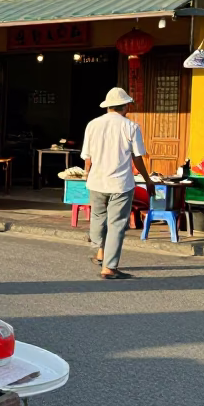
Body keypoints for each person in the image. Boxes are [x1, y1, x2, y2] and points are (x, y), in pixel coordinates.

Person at [80, 87, 154, 280]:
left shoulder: (92, 125)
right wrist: (148, 180)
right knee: (117, 224)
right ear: (126, 106)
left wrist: (88, 175)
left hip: (96, 181)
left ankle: (100, 251)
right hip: (121, 184)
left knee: (98, 218)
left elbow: (87, 158)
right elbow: (137, 158)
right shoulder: (131, 127)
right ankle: (109, 268)